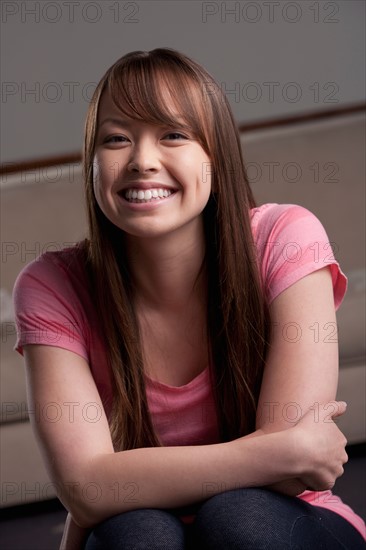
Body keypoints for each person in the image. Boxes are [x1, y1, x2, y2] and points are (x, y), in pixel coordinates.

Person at [13, 48, 365, 549]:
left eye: (173, 134)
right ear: (92, 165)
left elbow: (294, 477)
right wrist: (276, 451)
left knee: (238, 518)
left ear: (215, 156)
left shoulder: (286, 237)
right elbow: (87, 491)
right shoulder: (51, 285)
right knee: (137, 533)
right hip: (142, 525)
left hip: (288, 523)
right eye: (116, 140)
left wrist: (116, 481)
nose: (141, 161)